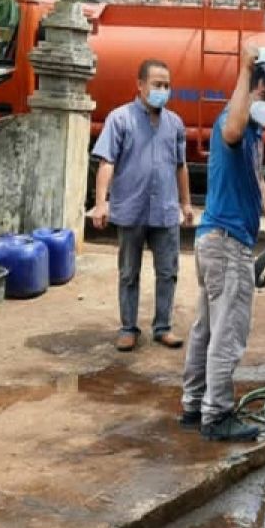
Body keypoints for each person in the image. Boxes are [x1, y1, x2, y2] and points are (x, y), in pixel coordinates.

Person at [180, 47, 265, 442]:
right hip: (227, 245)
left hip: (217, 241)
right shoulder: (234, 122)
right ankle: (218, 415)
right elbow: (231, 127)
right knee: (227, 333)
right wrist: (245, 69)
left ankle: (194, 405)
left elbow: (257, 181)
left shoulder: (253, 135)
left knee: (206, 330)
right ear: (249, 92)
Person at [90, 59, 194, 352]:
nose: (163, 90)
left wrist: (186, 203)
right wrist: (101, 203)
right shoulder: (119, 119)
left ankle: (163, 327)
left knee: (168, 272)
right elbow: (107, 161)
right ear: (140, 85)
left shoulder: (174, 124)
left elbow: (181, 166)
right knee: (128, 272)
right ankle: (128, 327)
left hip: (164, 210)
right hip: (130, 209)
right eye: (157, 84)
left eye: (167, 86)